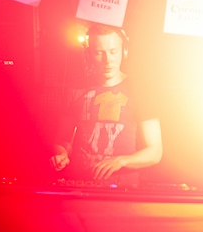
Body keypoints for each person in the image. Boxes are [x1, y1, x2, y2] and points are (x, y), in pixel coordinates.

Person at [50, 23, 162, 187]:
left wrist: (121, 161)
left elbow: (155, 152)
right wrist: (61, 154)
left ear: (124, 51)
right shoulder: (75, 90)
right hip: (80, 185)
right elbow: (63, 139)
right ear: (89, 55)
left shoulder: (140, 91)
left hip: (122, 188)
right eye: (99, 53)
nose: (107, 60)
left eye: (113, 52)